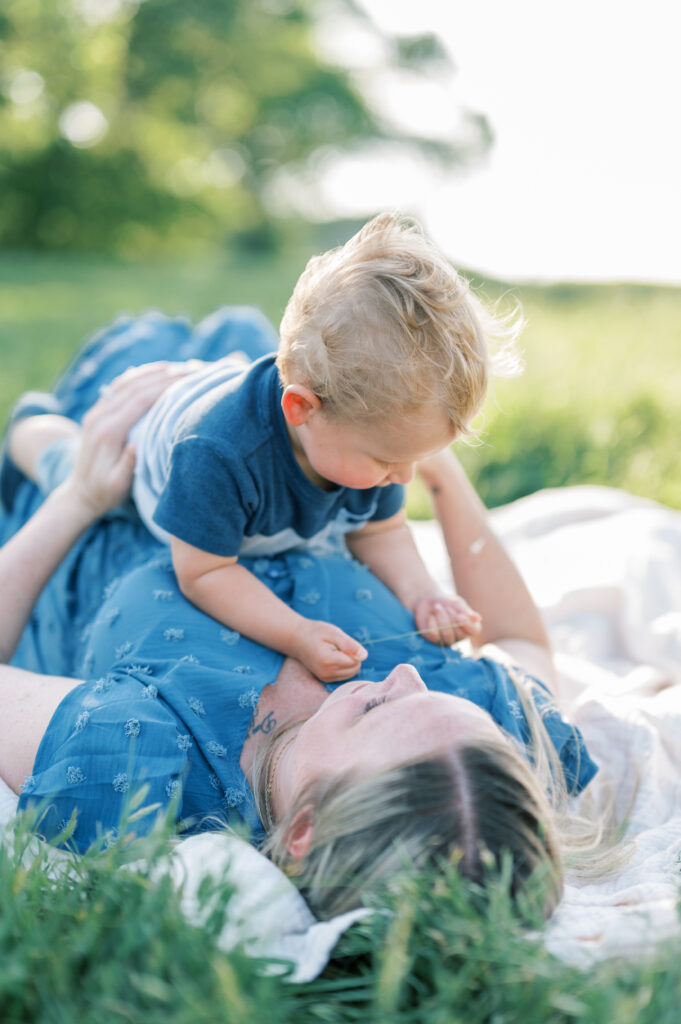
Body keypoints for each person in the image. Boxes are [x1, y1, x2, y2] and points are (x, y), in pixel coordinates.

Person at [0, 308, 597, 922]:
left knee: (106, 377)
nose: (410, 679)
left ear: (304, 830)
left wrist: (77, 497)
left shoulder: (137, 757)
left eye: (375, 709)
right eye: (444, 697)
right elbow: (521, 640)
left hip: (110, 479)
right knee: (274, 339)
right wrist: (428, 461)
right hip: (278, 459)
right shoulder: (469, 767)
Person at [124, 213, 520, 683]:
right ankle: (38, 433)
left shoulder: (365, 439)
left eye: (416, 458)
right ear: (302, 409)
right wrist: (295, 633)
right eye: (390, 460)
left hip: (272, 420)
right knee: (75, 461)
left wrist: (424, 595)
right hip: (142, 439)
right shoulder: (215, 454)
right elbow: (204, 573)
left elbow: (380, 533)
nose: (406, 477)